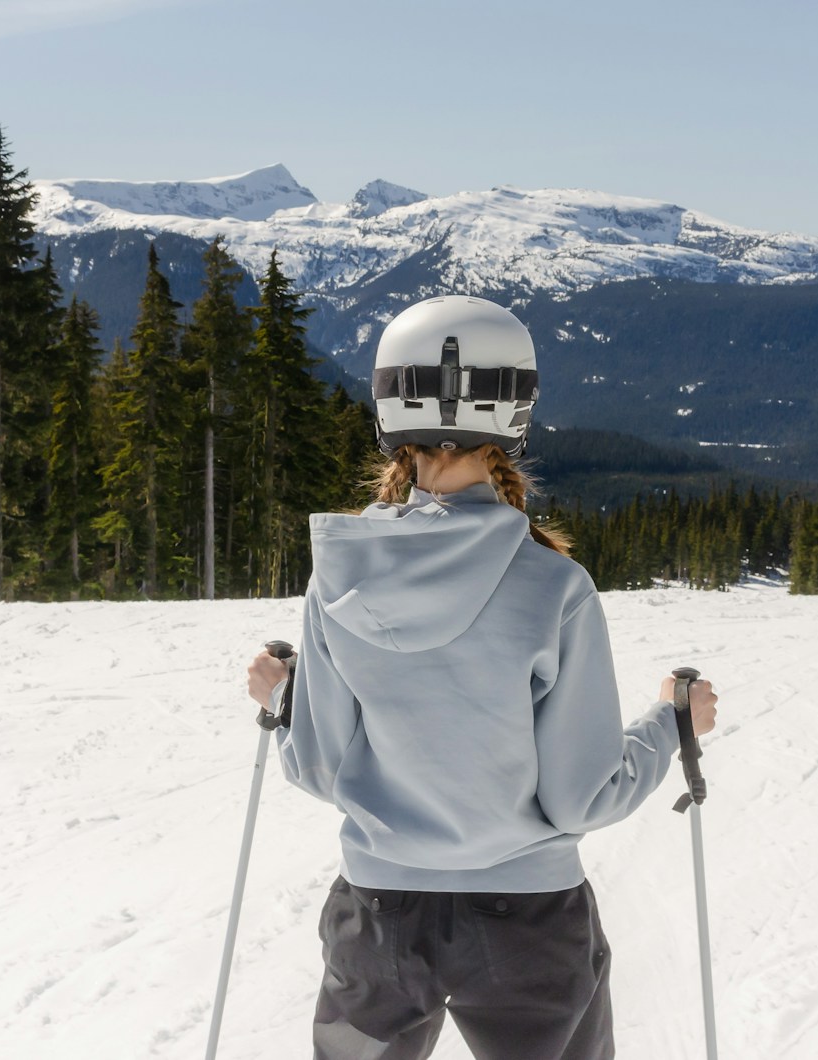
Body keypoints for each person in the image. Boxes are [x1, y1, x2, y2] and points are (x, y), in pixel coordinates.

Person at [246, 294, 717, 1060]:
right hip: (528, 918)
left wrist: (285, 695)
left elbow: (323, 765)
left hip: (378, 912)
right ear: (515, 412)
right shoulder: (554, 588)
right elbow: (582, 794)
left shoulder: (337, 580)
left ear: (389, 409)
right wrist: (671, 723)